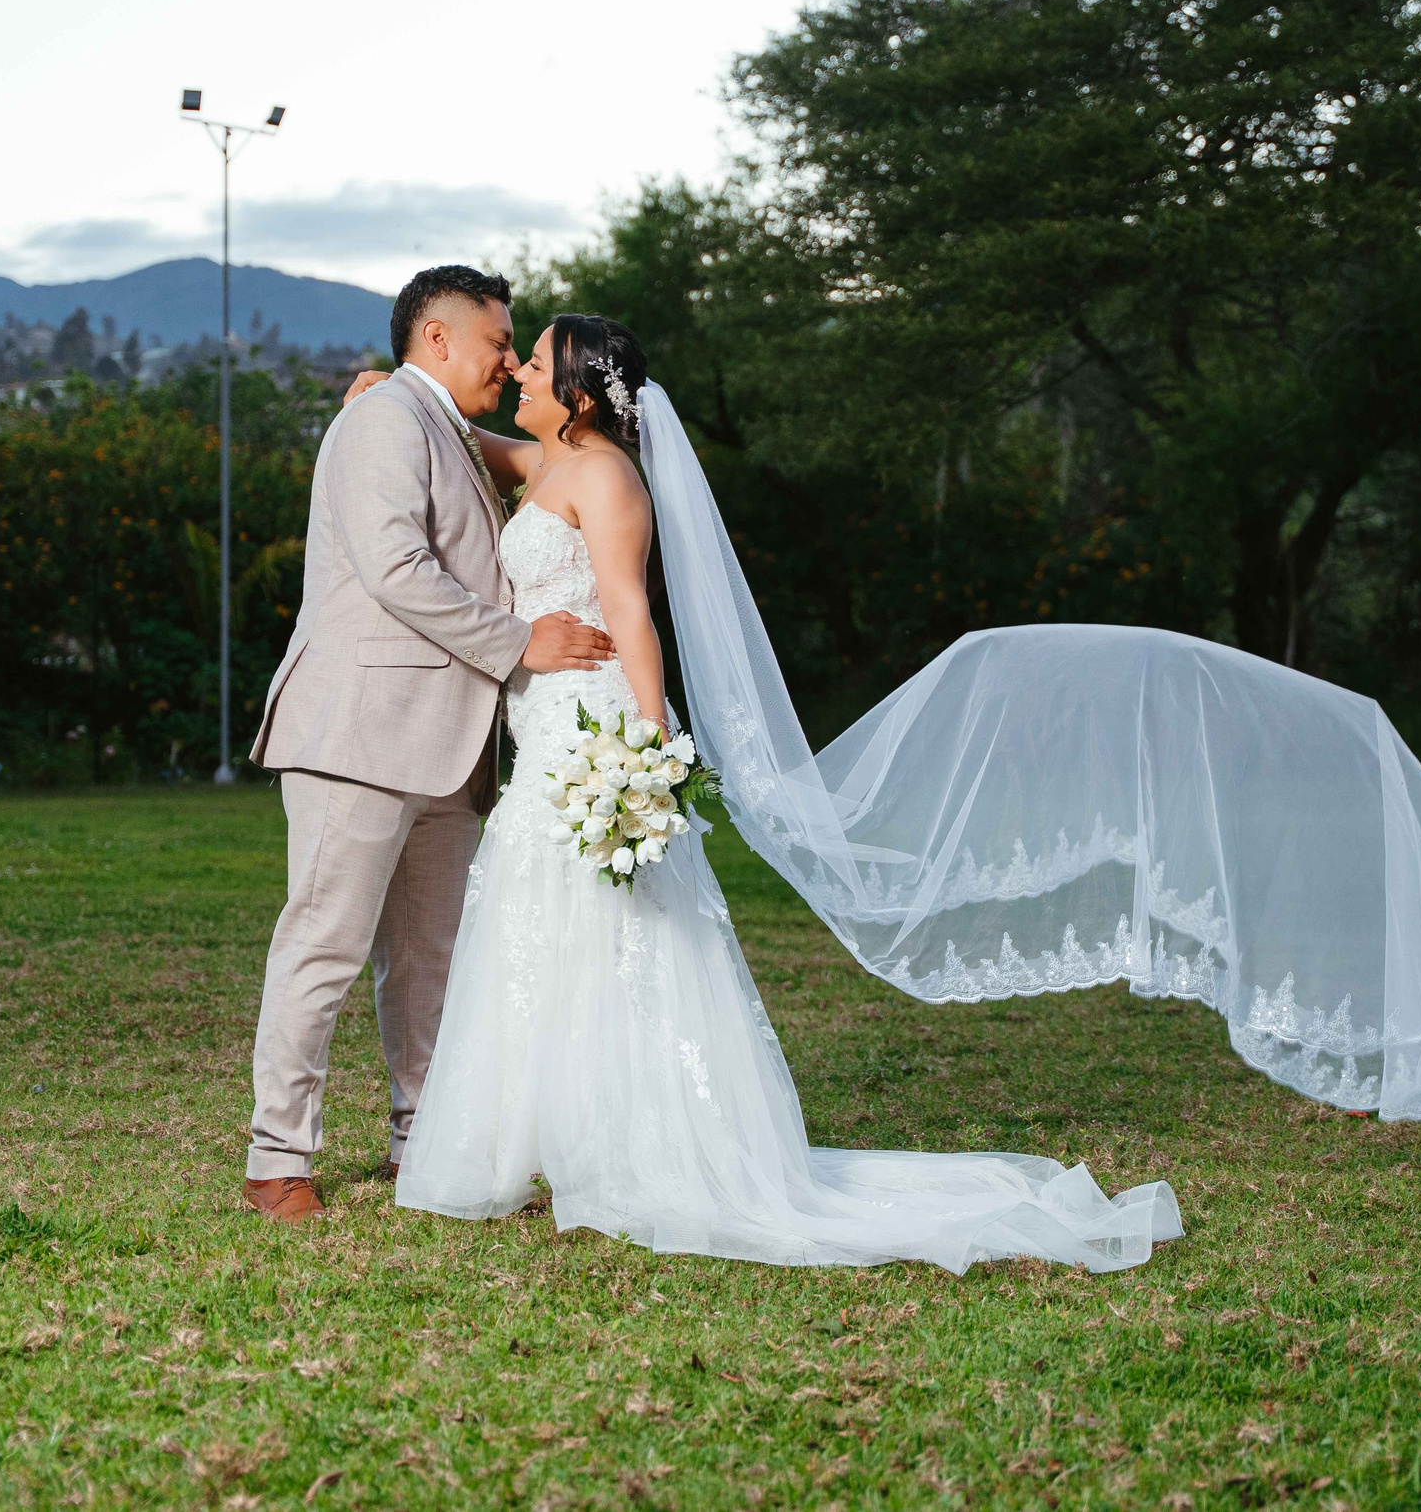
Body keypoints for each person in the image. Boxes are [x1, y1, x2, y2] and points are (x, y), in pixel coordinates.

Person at [392, 314, 1183, 1271]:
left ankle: (631, 1143)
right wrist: (393, 394)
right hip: (544, 725)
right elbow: (484, 445)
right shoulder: (551, 460)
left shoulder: (605, 477)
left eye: (535, 356)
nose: (516, 365)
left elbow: (635, 613)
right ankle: (534, 1141)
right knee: (535, 924)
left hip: (594, 724)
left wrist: (649, 750)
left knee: (615, 931)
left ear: (583, 395)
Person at [238, 268, 616, 1224]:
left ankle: (426, 1146)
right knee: (322, 945)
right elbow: (397, 567)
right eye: (499, 341)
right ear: (438, 339)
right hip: (358, 732)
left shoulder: (443, 424)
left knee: (429, 960)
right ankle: (277, 1158)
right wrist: (519, 643)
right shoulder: (384, 421)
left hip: (450, 747)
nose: (507, 358)